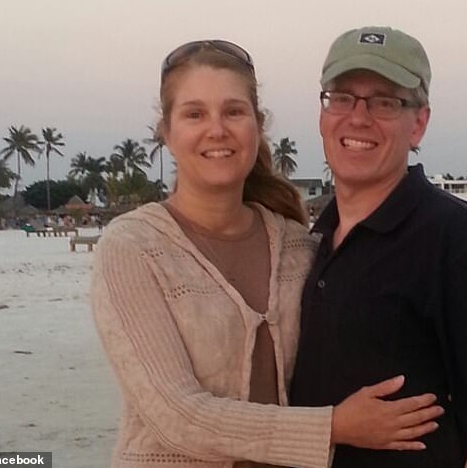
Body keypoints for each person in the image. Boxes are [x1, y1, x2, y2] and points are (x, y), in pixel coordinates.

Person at [91, 39, 444, 468]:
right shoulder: (132, 248)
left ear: (256, 126)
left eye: (234, 112)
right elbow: (175, 412)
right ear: (166, 132)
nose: (216, 129)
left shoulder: (300, 245)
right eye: (194, 113)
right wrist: (334, 427)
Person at [289, 26, 467, 468]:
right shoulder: (309, 239)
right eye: (342, 97)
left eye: (384, 101)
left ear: (419, 122)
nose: (358, 117)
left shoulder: (454, 237)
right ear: (322, 113)